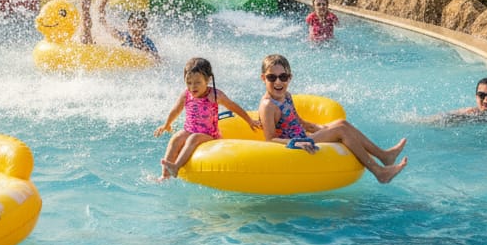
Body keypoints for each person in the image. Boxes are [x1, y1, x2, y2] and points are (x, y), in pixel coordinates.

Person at [257, 53, 407, 184]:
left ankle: (384, 156)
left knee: (341, 123)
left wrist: (321, 128)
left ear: (290, 78)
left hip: (302, 136)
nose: (278, 82)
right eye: (272, 77)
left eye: (283, 77)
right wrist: (296, 142)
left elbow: (299, 122)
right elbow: (269, 139)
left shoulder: (286, 96)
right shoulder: (268, 106)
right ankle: (379, 172)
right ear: (263, 78)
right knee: (341, 130)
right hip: (295, 144)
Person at [155, 56, 259, 179]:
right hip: (189, 130)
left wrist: (249, 120)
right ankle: (164, 175)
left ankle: (176, 167)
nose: (193, 87)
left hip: (210, 134)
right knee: (176, 138)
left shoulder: (215, 95)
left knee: (193, 138)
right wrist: (167, 124)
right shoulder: (186, 94)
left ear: (208, 80)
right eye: (189, 82)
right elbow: (176, 110)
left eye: (198, 82)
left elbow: (233, 106)